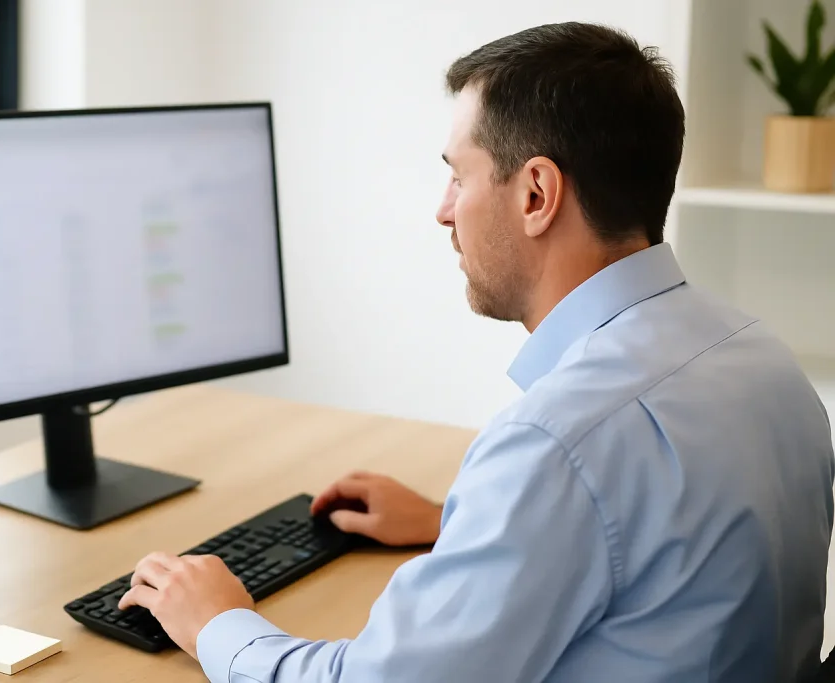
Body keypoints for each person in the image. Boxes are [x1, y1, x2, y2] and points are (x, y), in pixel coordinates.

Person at [118, 21, 835, 682]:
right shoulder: (762, 358)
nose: (443, 208)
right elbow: (664, 549)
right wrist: (456, 526)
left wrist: (218, 621)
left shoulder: (557, 443)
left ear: (536, 195)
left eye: (458, 175)